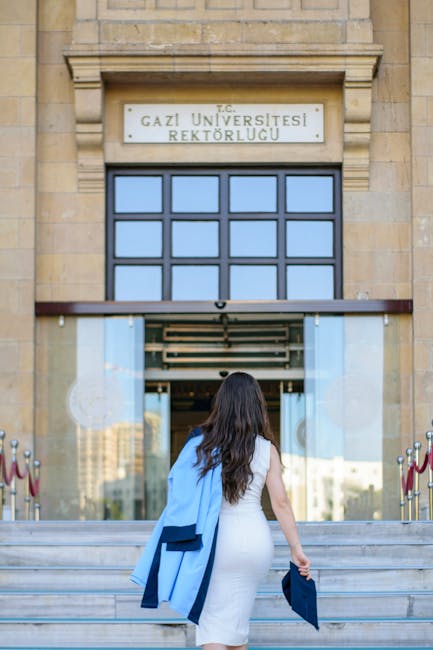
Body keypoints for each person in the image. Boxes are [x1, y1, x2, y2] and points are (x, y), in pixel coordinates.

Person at [193, 371, 311, 650]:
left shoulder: (205, 446)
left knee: (212, 626)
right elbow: (280, 503)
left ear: (222, 404)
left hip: (218, 542)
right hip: (256, 541)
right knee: (236, 629)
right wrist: (296, 548)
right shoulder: (267, 449)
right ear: (256, 405)